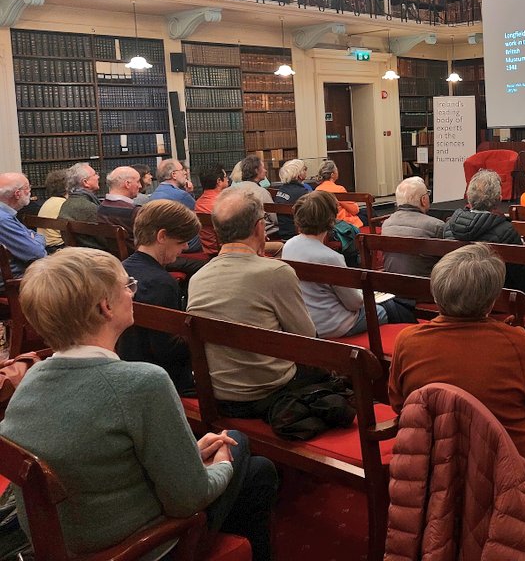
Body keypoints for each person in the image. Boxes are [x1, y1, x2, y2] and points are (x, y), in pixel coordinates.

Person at [0, 247, 278, 560]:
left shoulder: (31, 379)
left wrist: (192, 453)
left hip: (66, 537)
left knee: (255, 470)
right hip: (132, 546)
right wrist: (225, 460)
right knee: (241, 447)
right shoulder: (141, 383)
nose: (133, 293)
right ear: (106, 306)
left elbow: (93, 453)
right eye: (128, 285)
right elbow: (189, 500)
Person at [389, 243, 525, 485]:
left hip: (443, 464)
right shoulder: (518, 343)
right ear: (491, 300)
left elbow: (400, 404)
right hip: (516, 474)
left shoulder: (407, 340)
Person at [187, 190, 320, 419]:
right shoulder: (276, 272)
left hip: (220, 394)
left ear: (217, 231)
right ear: (260, 227)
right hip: (270, 394)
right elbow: (306, 339)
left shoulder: (197, 277)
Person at [282, 191, 408, 337]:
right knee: (389, 309)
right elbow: (354, 304)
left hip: (305, 320)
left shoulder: (289, 246)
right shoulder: (331, 257)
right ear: (331, 219)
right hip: (334, 324)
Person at [117, 200, 200, 393]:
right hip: (162, 381)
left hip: (128, 366)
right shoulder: (162, 283)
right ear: (162, 236)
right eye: (181, 241)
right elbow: (167, 350)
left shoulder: (121, 269)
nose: (186, 246)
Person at [444, 170, 525, 297]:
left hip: (454, 296)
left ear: (469, 198)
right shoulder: (507, 232)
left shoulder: (448, 226)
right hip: (494, 300)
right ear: (498, 200)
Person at [379, 176, 446, 278]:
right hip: (426, 287)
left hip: (393, 284)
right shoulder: (436, 226)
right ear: (423, 200)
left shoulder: (386, 224)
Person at [0, 173, 46, 289]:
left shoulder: (7, 214)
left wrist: (34, 239)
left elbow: (36, 236)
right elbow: (37, 254)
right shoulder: (3, 219)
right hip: (15, 282)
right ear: (17, 194)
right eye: (27, 188)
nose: (30, 191)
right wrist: (36, 239)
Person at [96, 166, 142, 250]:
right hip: (137, 259)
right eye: (138, 181)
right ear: (127, 184)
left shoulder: (101, 208)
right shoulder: (134, 212)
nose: (140, 186)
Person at [314, 160, 363, 230]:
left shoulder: (317, 190)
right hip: (341, 223)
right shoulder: (339, 189)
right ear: (332, 175)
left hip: (325, 223)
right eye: (336, 170)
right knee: (367, 214)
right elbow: (355, 210)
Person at [194, 163, 229, 255]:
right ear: (219, 181)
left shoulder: (198, 203)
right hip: (227, 251)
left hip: (208, 251)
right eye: (225, 176)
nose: (228, 179)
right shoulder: (224, 204)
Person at [273, 158, 311, 240]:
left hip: (282, 233)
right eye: (304, 169)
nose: (306, 171)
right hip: (298, 236)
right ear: (299, 174)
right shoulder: (303, 192)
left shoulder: (281, 190)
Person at [36, 169, 67, 253]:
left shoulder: (48, 202)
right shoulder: (64, 204)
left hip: (46, 248)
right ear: (67, 186)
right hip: (59, 249)